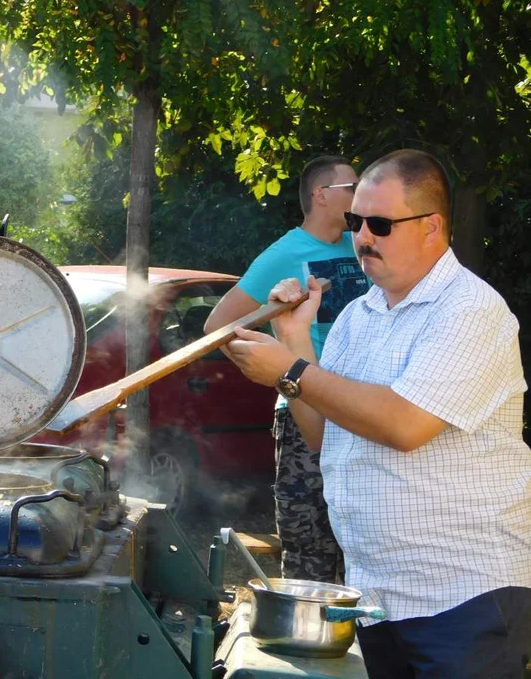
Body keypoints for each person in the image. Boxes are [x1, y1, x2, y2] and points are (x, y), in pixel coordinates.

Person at [225, 149, 531, 678]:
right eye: (355, 220)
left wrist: (293, 370)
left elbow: (403, 425)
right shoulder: (356, 318)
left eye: (381, 224)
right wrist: (295, 340)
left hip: (464, 597)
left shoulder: (471, 311)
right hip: (379, 597)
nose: (362, 237)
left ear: (432, 227)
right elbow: (326, 439)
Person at [203, 155, 368, 583]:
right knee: (310, 538)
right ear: (320, 196)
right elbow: (217, 326)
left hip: (361, 406)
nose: (360, 195)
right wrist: (279, 370)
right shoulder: (283, 254)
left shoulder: (365, 245)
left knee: (362, 534)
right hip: (303, 411)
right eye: (351, 188)